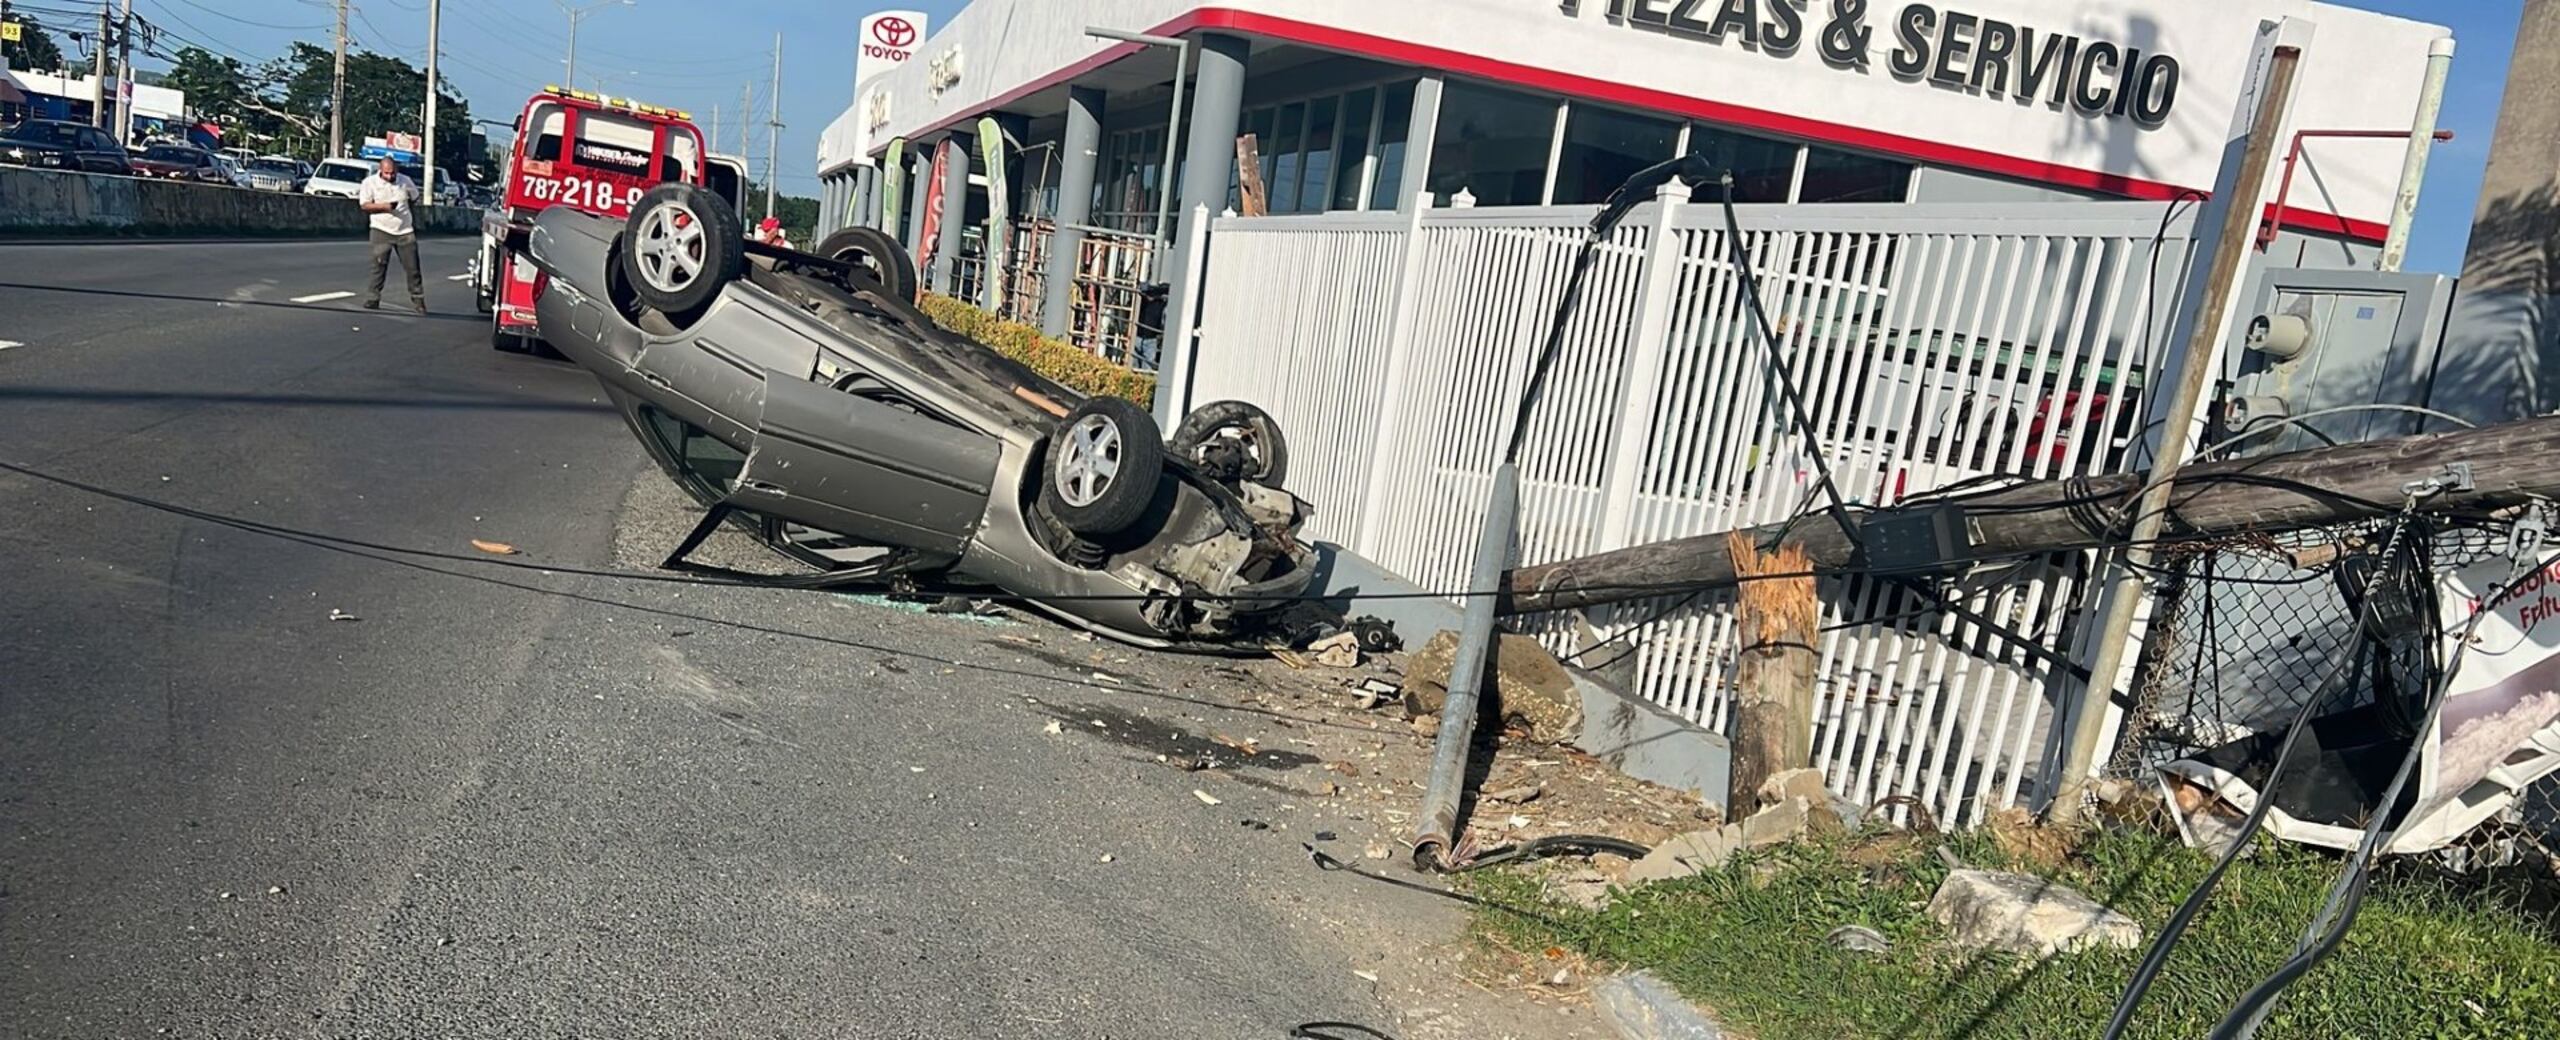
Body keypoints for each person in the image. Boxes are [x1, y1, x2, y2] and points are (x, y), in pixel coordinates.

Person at [357, 156, 426, 314]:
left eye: (393, 173)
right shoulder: (369, 183)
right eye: (386, 173)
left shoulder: (405, 181)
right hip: (381, 228)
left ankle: (418, 300)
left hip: (404, 230)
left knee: (412, 268)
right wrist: (384, 207)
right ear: (380, 170)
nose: (390, 177)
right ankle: (373, 298)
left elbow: (415, 199)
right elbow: (364, 205)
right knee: (378, 265)